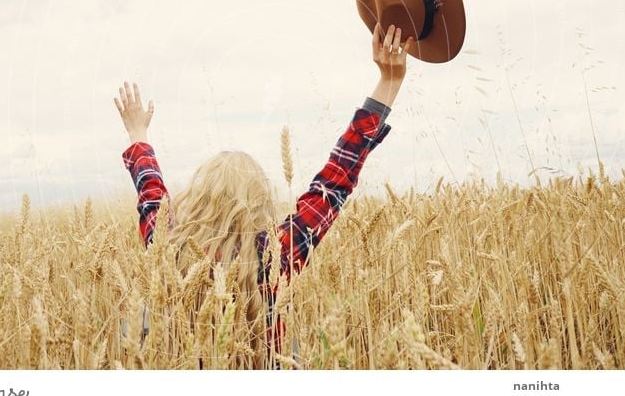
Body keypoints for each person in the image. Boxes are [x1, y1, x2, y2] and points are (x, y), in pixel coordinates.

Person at [114, 23, 414, 369]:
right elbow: (335, 181)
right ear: (259, 201)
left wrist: (138, 133)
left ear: (199, 196)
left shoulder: (166, 244)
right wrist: (389, 83)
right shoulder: (278, 252)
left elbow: (151, 191)